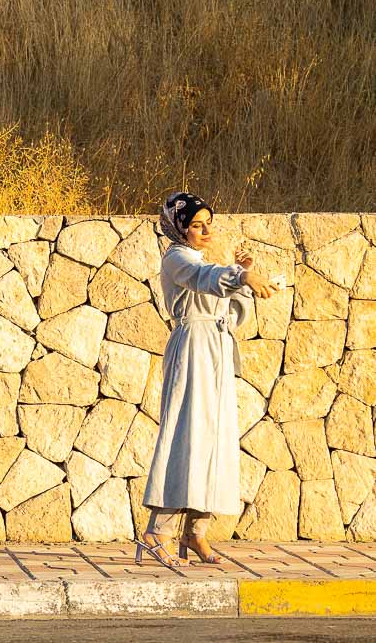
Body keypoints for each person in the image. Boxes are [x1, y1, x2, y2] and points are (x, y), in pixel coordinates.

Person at [137, 192, 278, 568]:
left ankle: (196, 532)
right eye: (196, 225)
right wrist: (241, 275)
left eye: (207, 224)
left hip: (214, 350)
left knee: (215, 440)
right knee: (187, 436)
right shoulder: (178, 259)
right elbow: (205, 279)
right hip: (193, 350)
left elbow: (230, 314)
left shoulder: (205, 265)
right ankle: (157, 532)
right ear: (180, 226)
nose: (204, 231)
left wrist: (244, 280)